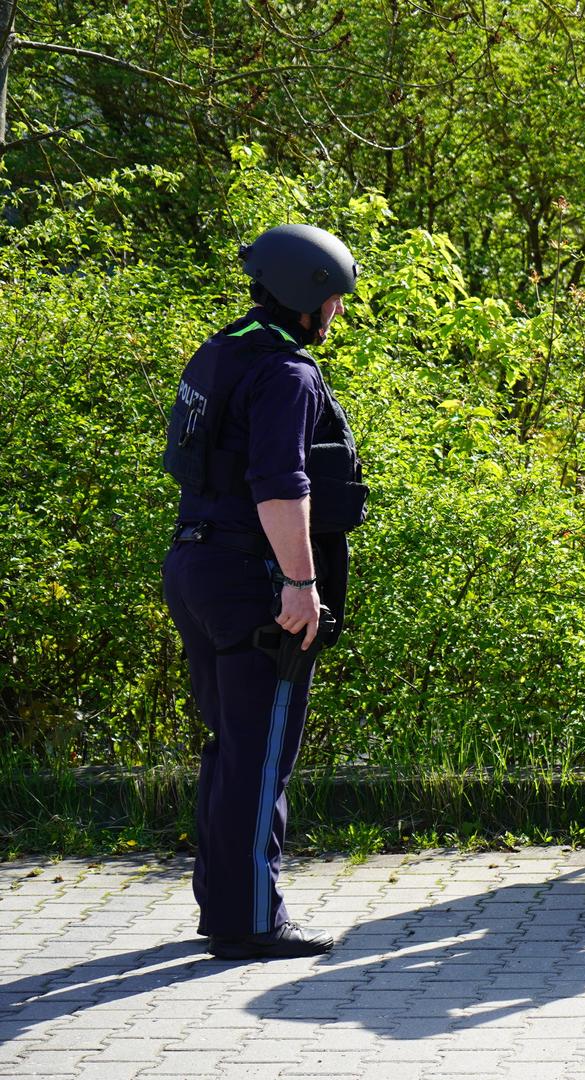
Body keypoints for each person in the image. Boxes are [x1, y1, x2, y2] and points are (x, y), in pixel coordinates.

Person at [162, 224, 367, 960]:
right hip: (254, 581)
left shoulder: (219, 351)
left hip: (195, 566)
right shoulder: (287, 373)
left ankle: (223, 901)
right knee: (260, 754)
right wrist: (301, 583)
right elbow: (281, 485)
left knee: (232, 745)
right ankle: (249, 919)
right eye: (334, 300)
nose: (336, 314)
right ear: (306, 297)